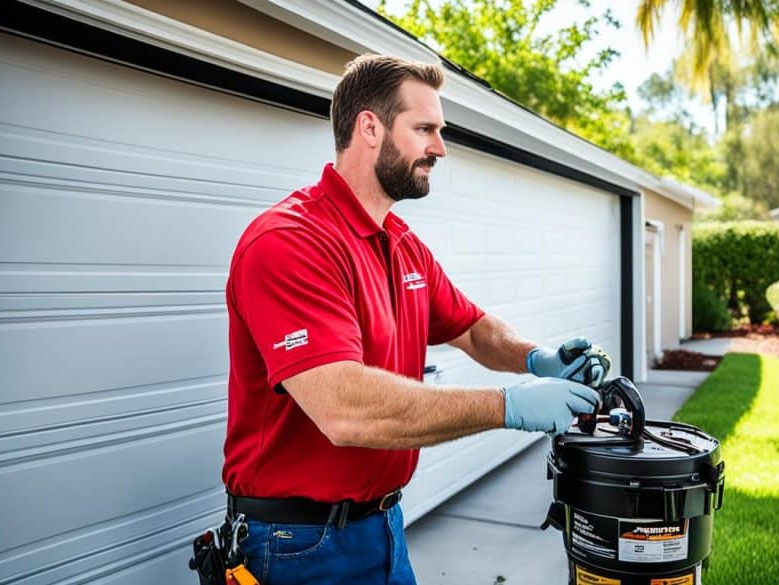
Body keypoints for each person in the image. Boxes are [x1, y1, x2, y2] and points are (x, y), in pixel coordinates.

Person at [222, 54, 612, 585]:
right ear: (369, 127)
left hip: (384, 526)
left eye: (440, 130)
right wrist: (508, 406)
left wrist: (535, 357)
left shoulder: (402, 244)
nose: (440, 147)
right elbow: (343, 410)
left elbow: (472, 328)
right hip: (297, 547)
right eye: (424, 128)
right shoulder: (290, 241)